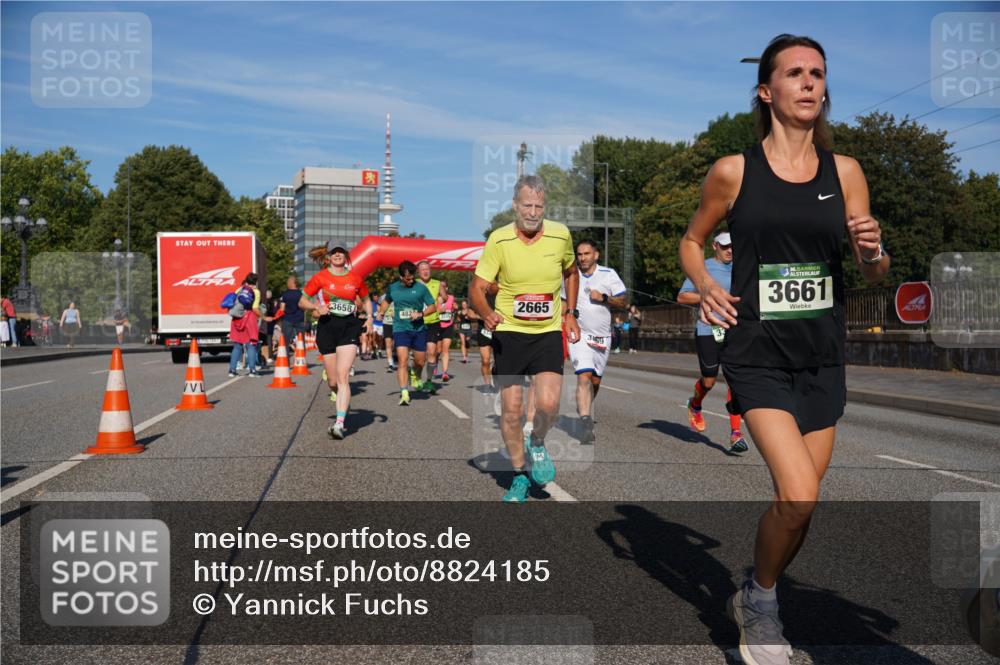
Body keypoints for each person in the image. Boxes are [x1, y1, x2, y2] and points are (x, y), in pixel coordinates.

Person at [679, 34, 889, 665]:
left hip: (822, 356)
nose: (809, 83)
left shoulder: (845, 171)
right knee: (798, 493)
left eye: (818, 74)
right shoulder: (733, 170)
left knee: (799, 508)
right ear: (766, 91)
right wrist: (709, 284)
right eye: (795, 73)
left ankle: (755, 586)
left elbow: (873, 270)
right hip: (758, 354)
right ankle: (764, 605)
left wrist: (876, 250)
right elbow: (692, 241)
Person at [470, 174, 580, 503]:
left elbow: (571, 271)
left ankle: (538, 442)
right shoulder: (499, 240)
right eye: (527, 205)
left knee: (548, 404)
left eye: (539, 206)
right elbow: (476, 287)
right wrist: (485, 311)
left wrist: (570, 311)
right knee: (512, 411)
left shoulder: (560, 235)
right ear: (515, 206)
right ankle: (519, 474)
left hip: (546, 330)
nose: (533, 212)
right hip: (510, 332)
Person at [677, 231, 749, 453]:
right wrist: (709, 294)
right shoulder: (703, 268)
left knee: (734, 380)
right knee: (709, 381)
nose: (730, 251)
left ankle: (736, 434)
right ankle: (696, 404)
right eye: (726, 246)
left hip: (735, 331)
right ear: (715, 246)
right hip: (709, 330)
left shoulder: (743, 267)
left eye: (733, 247)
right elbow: (682, 297)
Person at [298, 240, 370, 440]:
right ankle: (338, 395)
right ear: (329, 256)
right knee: (332, 381)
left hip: (348, 327)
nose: (337, 255)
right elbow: (302, 300)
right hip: (327, 328)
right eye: (334, 252)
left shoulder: (355, 278)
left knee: (343, 376)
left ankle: (339, 423)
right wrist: (315, 308)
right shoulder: (320, 277)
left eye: (341, 252)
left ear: (346, 255)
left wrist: (371, 317)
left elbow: (366, 299)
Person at [562, 239, 627, 445]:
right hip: (578, 335)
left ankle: (584, 407)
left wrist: (605, 298)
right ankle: (585, 421)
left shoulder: (608, 274)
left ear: (596, 255)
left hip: (602, 337)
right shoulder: (571, 276)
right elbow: (563, 303)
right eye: (579, 254)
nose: (582, 258)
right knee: (584, 377)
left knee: (595, 381)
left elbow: (624, 301)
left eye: (586, 254)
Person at [377, 261, 437, 405]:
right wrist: (381, 312)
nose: (411, 280)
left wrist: (421, 314)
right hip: (400, 328)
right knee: (403, 360)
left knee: (420, 361)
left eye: (412, 277)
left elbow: (433, 307)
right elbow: (386, 301)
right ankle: (404, 392)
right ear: (401, 276)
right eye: (408, 278)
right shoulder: (393, 288)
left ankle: (415, 374)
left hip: (418, 329)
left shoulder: (421, 288)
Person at [415, 260, 446, 387]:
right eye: (422, 269)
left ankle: (428, 381)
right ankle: (416, 376)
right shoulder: (413, 283)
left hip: (433, 321)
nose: (425, 271)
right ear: (418, 272)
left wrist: (441, 299)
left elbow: (445, 297)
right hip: (417, 322)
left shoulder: (437, 284)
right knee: (419, 357)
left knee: (432, 352)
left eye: (427, 269)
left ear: (430, 270)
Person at [228, 274, 261, 377]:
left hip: (237, 319)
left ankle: (232, 370)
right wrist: (263, 317)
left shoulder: (239, 290)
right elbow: (255, 308)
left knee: (237, 345)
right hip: (249, 318)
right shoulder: (256, 292)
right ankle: (252, 370)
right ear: (255, 282)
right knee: (251, 345)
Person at [279, 275, 307, 354]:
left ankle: (286, 361)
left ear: (291, 283)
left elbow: (282, 309)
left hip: (287, 319)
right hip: (299, 319)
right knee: (301, 340)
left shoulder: (285, 294)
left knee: (286, 341)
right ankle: (302, 360)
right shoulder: (301, 294)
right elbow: (304, 307)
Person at [436, 285, 456, 381]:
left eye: (444, 286)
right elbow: (431, 311)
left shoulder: (451, 298)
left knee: (445, 350)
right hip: (438, 326)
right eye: (441, 286)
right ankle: (434, 363)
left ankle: (444, 373)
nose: (443, 288)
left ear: (447, 288)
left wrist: (455, 307)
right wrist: (439, 310)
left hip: (448, 325)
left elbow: (453, 307)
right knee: (438, 351)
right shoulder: (435, 299)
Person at [379, 293, 396, 372]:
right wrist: (380, 314)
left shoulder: (399, 295)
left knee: (396, 344)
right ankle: (390, 364)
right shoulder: (383, 297)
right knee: (388, 344)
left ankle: (395, 356)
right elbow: (380, 308)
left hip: (398, 324)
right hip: (387, 323)